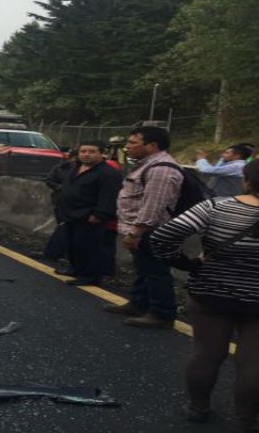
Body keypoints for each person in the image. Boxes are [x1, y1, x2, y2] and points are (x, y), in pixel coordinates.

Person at [150, 161, 259, 429]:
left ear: (245, 179)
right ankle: (246, 421)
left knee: (206, 354)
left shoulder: (215, 206)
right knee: (253, 363)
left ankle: (198, 408)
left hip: (210, 291)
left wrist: (187, 264)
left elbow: (162, 237)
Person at [104, 127, 182, 328]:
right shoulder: (146, 165)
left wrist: (136, 232)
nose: (127, 147)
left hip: (151, 231)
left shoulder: (160, 169)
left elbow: (153, 205)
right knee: (143, 269)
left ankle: (162, 314)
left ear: (152, 145)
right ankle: (138, 303)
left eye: (132, 143)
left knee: (156, 271)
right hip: (141, 230)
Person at [55, 141, 123, 286]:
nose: (86, 154)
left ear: (101, 154)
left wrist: (99, 215)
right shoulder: (76, 168)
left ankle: (91, 275)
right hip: (70, 214)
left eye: (91, 151)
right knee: (73, 244)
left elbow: (109, 196)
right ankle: (76, 269)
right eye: (83, 151)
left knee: (90, 247)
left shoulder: (108, 173)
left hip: (89, 216)